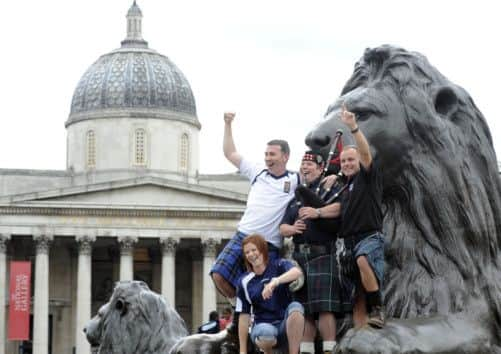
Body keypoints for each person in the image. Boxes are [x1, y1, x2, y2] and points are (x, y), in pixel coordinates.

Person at [210, 111, 299, 306]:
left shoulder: (295, 179)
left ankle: (252, 317)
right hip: (244, 235)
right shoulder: (257, 171)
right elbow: (230, 153)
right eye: (266, 154)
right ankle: (238, 308)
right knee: (218, 274)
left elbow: (316, 177)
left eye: (272, 154)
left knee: (261, 290)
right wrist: (227, 125)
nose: (268, 158)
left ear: (285, 157)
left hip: (269, 242)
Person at [280, 151, 352, 354]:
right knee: (305, 310)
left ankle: (330, 349)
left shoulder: (331, 187)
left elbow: (340, 208)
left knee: (324, 308)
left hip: (323, 254)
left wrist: (317, 212)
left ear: (321, 169)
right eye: (303, 165)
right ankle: (307, 351)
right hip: (299, 258)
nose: (305, 168)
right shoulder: (296, 196)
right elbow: (282, 227)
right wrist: (292, 229)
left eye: (309, 165)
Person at [337, 103, 386, 328]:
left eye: (351, 160)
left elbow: (365, 153)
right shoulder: (344, 188)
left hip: (370, 237)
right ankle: (361, 338)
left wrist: (354, 128)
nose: (347, 163)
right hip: (349, 243)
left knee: (363, 259)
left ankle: (378, 308)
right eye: (344, 161)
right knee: (357, 297)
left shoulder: (367, 177)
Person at [236, 234, 305, 354]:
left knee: (296, 307)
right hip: (262, 326)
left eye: (254, 250)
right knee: (266, 333)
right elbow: (244, 315)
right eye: (247, 253)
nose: (251, 255)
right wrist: (242, 351)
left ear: (262, 250)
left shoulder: (278, 265)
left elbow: (297, 272)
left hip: (284, 325)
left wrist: (275, 281)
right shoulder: (244, 281)